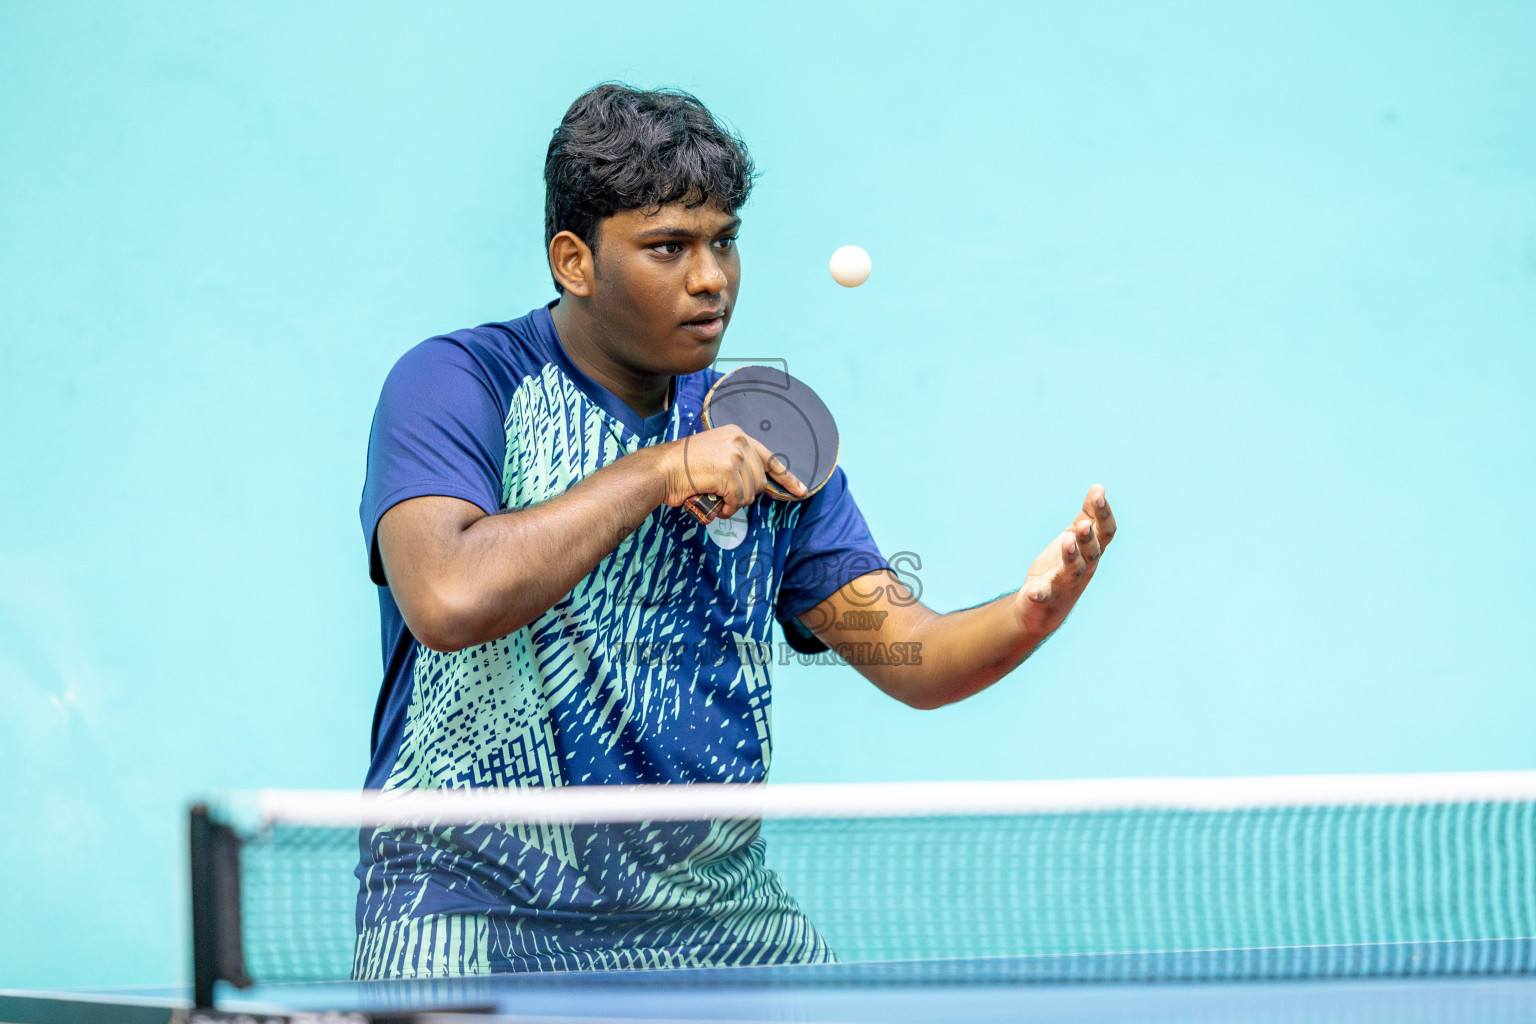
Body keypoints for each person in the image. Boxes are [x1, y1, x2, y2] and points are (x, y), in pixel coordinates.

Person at [353, 83, 1117, 978]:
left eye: (724, 241)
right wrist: (663, 469)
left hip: (717, 924)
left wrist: (1029, 613)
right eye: (668, 248)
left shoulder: (766, 426)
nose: (710, 277)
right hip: (468, 913)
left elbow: (912, 654)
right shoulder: (460, 384)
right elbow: (448, 597)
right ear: (574, 260)